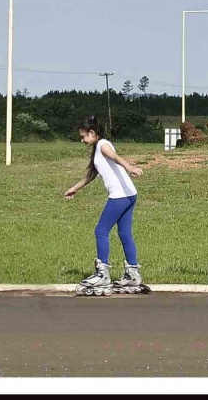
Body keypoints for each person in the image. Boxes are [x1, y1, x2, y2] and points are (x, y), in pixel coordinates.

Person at [63, 115, 147, 296]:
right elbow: (91, 175)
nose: (82, 140)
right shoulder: (98, 149)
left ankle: (102, 275)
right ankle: (133, 274)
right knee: (124, 233)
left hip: (119, 197)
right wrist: (75, 189)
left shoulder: (102, 145)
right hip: (130, 195)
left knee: (100, 231)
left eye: (83, 136)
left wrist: (130, 167)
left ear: (92, 133)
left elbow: (115, 157)